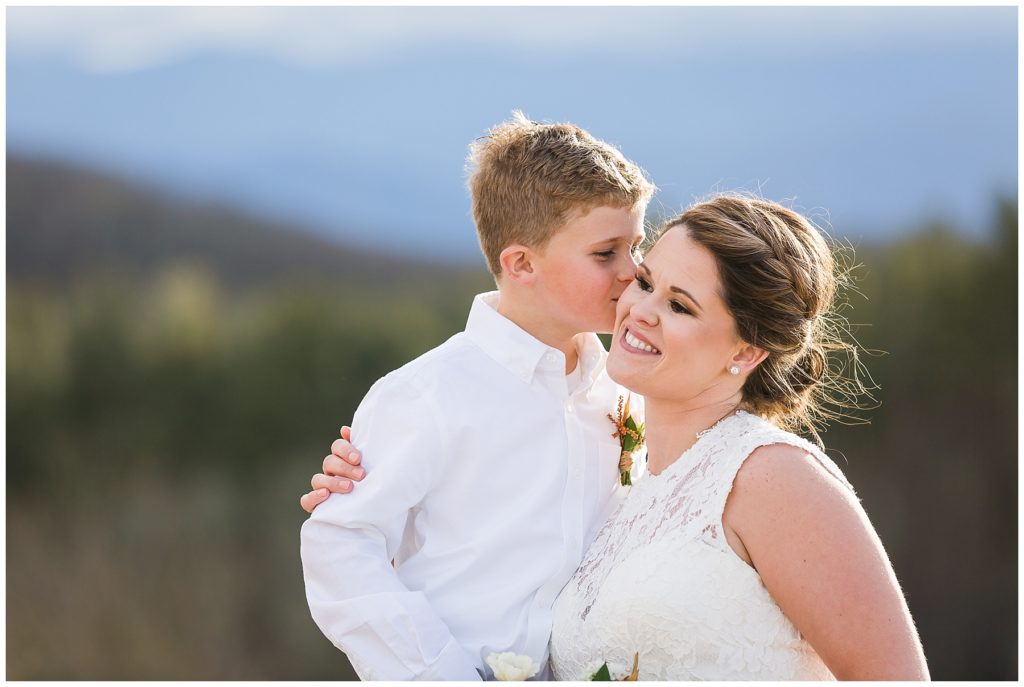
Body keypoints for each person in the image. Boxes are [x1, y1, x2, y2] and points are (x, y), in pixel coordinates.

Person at [308, 195, 930, 680]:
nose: (640, 309)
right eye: (645, 280)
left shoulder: (771, 476)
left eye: (681, 306)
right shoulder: (621, 462)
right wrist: (378, 497)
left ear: (746, 350)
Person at [300, 112, 655, 680]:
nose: (633, 272)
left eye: (637, 246)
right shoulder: (424, 395)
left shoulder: (628, 389)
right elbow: (342, 545)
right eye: (606, 253)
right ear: (521, 264)